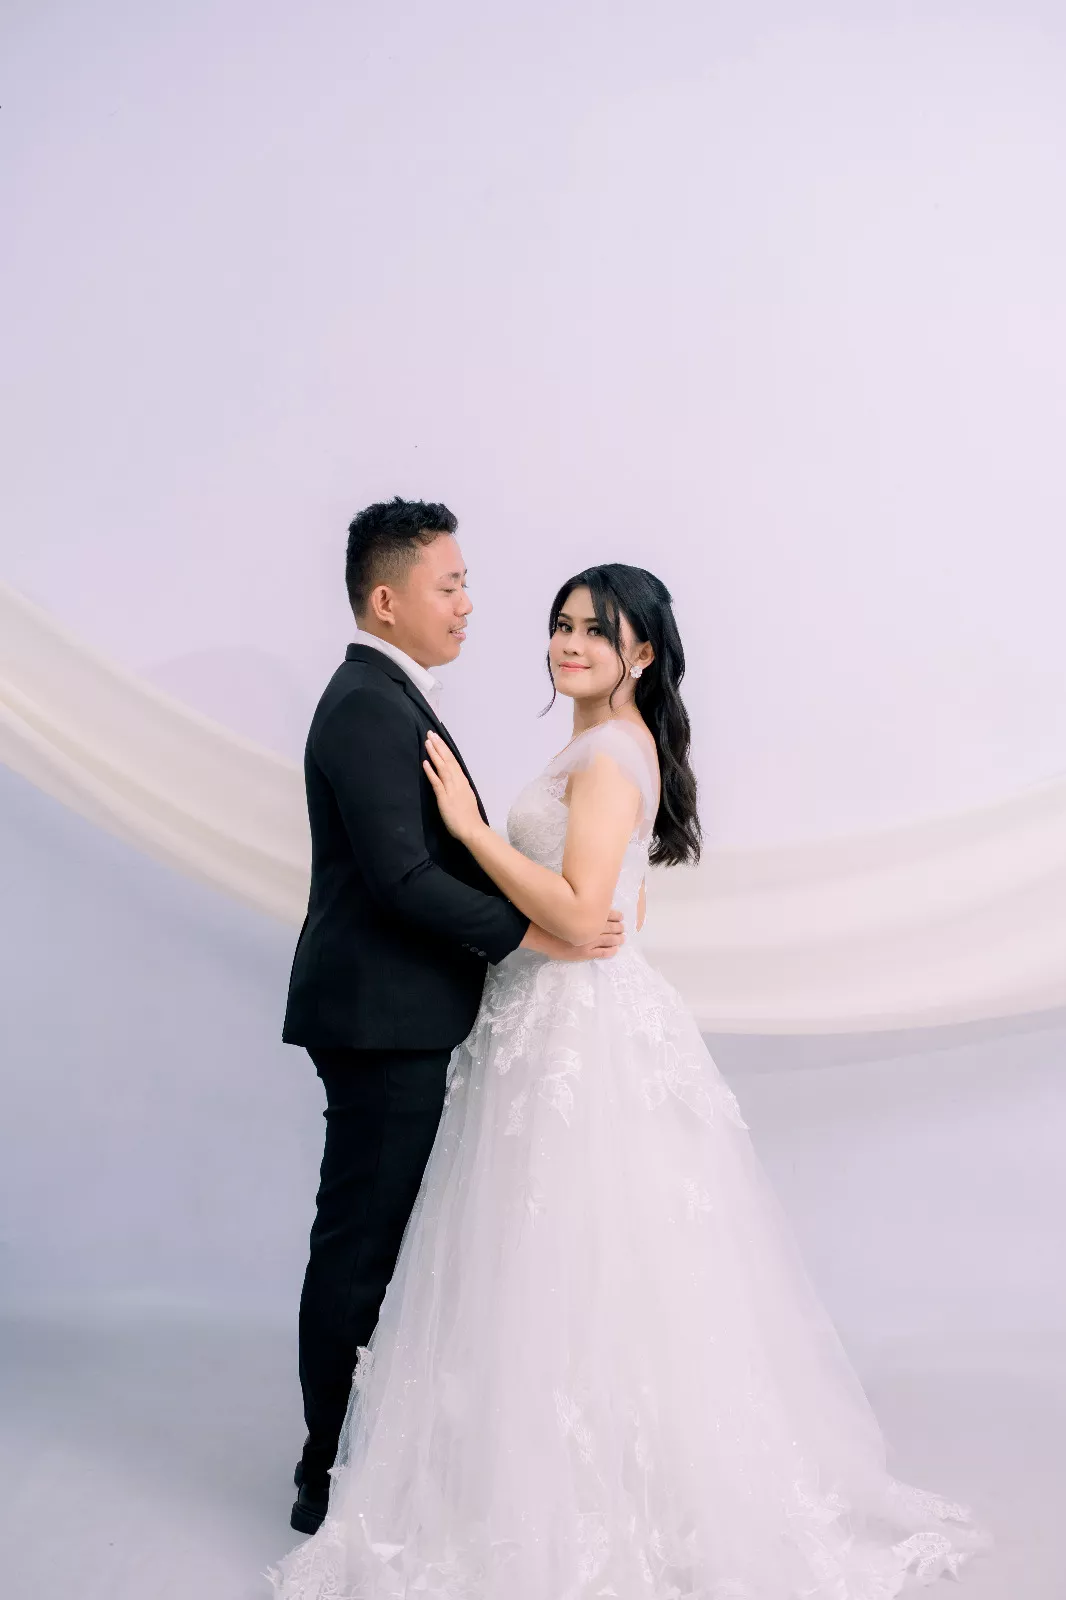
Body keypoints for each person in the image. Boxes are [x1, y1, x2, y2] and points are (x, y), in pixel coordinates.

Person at [272, 562, 988, 1597]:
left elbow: (578, 913)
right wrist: (561, 900)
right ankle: (516, 1467)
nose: (568, 644)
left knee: (567, 1253)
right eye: (561, 624)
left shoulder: (610, 752)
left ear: (640, 655)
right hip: (538, 1014)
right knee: (541, 1255)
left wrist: (472, 834)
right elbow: (613, 904)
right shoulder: (598, 744)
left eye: (595, 633)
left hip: (573, 1025)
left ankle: (577, 1490)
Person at [282, 502, 625, 1535]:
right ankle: (325, 1474)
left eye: (467, 583)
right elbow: (400, 879)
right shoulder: (364, 705)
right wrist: (538, 935)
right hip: (380, 1018)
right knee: (361, 1247)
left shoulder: (389, 697)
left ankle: (366, 1451)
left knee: (389, 1244)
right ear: (387, 601)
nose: (470, 603)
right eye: (450, 585)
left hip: (405, 1013)